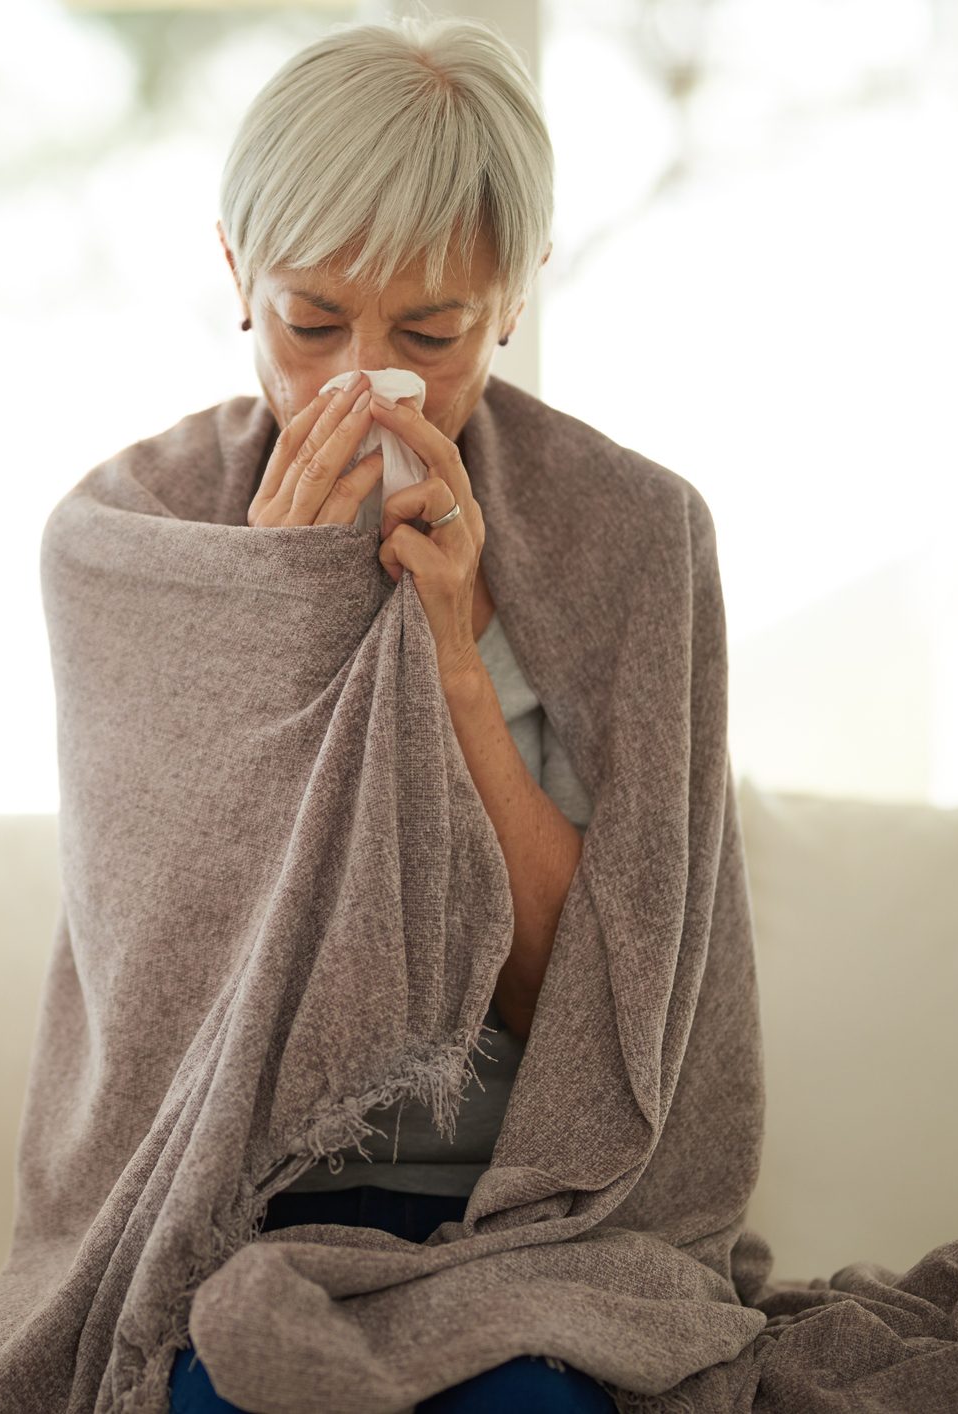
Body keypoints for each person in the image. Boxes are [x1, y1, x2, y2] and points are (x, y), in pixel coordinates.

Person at [167, 13, 619, 1413]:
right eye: (313, 323)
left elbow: (605, 1016)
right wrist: (276, 628)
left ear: (513, 301)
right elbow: (173, 995)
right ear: (239, 275)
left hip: (533, 1220)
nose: (362, 380)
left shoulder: (636, 546)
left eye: (429, 332)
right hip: (245, 1215)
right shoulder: (131, 541)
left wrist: (457, 665)